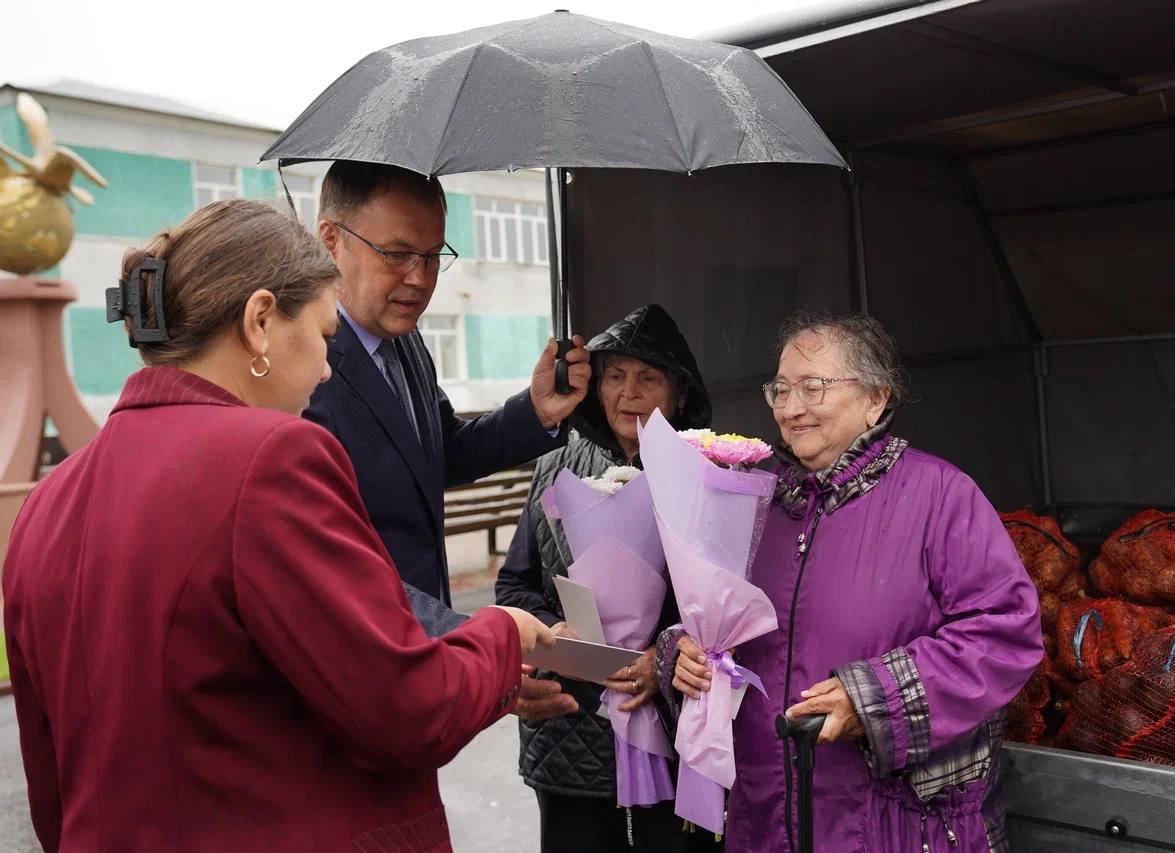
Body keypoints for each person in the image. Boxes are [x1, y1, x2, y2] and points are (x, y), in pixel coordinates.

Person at [2, 199, 554, 852]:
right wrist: (503, 634)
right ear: (261, 320)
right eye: (323, 337)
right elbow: (405, 708)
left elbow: (53, 777)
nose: (326, 369)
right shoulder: (270, 457)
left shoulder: (47, 500)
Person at [662, 312, 1042, 852]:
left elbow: (1004, 634)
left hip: (893, 825)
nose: (791, 409)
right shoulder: (751, 496)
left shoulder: (939, 495)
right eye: (781, 388)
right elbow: (711, 617)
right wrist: (683, 652)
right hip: (764, 817)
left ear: (876, 399)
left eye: (813, 388)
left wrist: (875, 701)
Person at [305, 160, 587, 719]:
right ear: (331, 241)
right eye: (397, 253)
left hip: (418, 667)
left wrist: (532, 412)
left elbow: (438, 454)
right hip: (355, 676)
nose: (420, 278)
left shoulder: (403, 341)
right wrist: (478, 644)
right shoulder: (306, 367)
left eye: (434, 256)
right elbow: (328, 570)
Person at [495, 304, 718, 852]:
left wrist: (664, 654)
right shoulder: (555, 469)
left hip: (670, 723)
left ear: (680, 392)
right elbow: (514, 587)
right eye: (616, 376)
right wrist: (554, 633)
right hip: (571, 725)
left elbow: (724, 607)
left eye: (648, 377)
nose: (630, 392)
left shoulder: (711, 476)